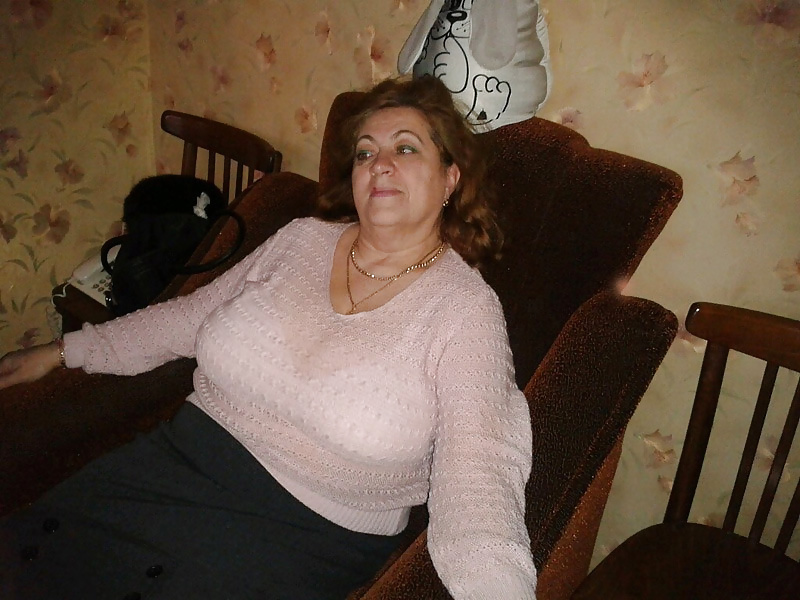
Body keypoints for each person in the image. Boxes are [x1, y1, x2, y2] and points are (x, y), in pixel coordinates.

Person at [0, 75, 537, 599]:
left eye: (405, 147)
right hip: (177, 461)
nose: (380, 164)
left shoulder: (464, 309)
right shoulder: (300, 240)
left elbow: (482, 472)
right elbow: (190, 317)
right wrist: (68, 349)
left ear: (450, 178)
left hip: (303, 536)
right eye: (365, 152)